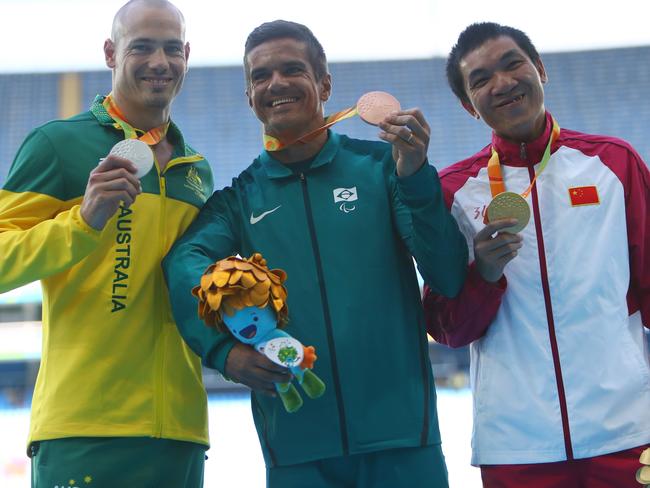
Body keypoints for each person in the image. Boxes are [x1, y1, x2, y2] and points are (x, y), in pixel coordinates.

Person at [163, 19, 468, 488]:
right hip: (298, 452)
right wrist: (225, 353)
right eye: (260, 76)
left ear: (324, 83)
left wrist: (416, 177)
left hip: (403, 440)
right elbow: (183, 264)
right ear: (249, 97)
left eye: (292, 70)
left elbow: (447, 274)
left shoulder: (384, 168)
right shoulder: (239, 201)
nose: (276, 84)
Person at [423, 22, 650, 487]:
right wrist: (484, 275)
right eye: (481, 79)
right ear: (468, 106)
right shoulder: (453, 192)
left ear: (540, 70)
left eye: (513, 64)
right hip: (516, 443)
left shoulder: (614, 164)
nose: (503, 83)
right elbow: (446, 328)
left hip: (626, 431)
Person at [0, 1, 214, 485]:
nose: (159, 61)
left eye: (171, 48)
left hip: (179, 432)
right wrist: (84, 220)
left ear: (186, 54)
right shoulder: (57, 144)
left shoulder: (196, 169)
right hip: (83, 428)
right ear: (111, 52)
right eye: (141, 46)